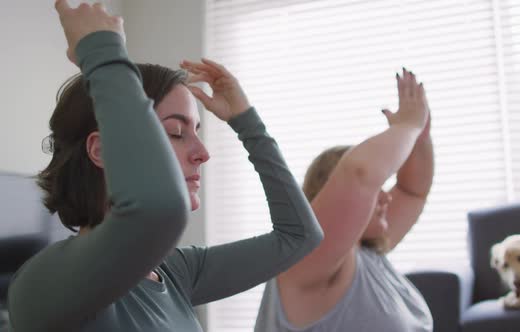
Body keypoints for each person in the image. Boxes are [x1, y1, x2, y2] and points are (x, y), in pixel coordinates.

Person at [7, 2, 322, 331]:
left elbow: (299, 236)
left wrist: (246, 122)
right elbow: (158, 211)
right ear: (102, 151)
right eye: (176, 132)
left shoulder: (176, 272)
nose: (202, 152)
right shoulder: (44, 281)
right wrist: (102, 52)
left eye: (196, 132)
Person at [255, 69, 435, 331]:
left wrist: (420, 135)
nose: (386, 196)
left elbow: (412, 191)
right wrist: (408, 126)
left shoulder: (367, 254)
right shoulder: (305, 257)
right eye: (377, 188)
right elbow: (360, 174)